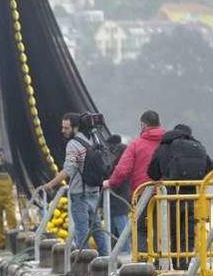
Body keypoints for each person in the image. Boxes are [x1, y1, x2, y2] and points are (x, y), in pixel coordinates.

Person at [41, 113, 109, 256]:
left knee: (81, 231)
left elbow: (68, 170)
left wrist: (51, 184)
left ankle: (82, 264)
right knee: (97, 229)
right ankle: (106, 260)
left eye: (66, 128)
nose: (63, 131)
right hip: (94, 191)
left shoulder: (73, 145)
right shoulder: (93, 140)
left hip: (79, 194)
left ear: (76, 127)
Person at [147, 124, 213, 269]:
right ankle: (183, 265)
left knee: (169, 232)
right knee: (188, 234)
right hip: (193, 197)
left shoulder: (164, 146)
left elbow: (151, 171)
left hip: (170, 196)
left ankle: (162, 265)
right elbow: (209, 168)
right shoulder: (198, 147)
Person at [103, 110, 165, 254]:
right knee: (161, 228)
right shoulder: (167, 143)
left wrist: (110, 183)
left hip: (142, 193)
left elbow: (122, 170)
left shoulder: (136, 145)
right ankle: (161, 262)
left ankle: (142, 263)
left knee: (141, 228)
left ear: (143, 124)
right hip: (165, 193)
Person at [105, 134, 131, 253]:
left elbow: (117, 177)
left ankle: (125, 250)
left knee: (120, 223)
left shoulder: (118, 163)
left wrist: (109, 182)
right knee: (119, 223)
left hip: (117, 196)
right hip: (122, 196)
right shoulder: (125, 158)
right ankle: (121, 249)